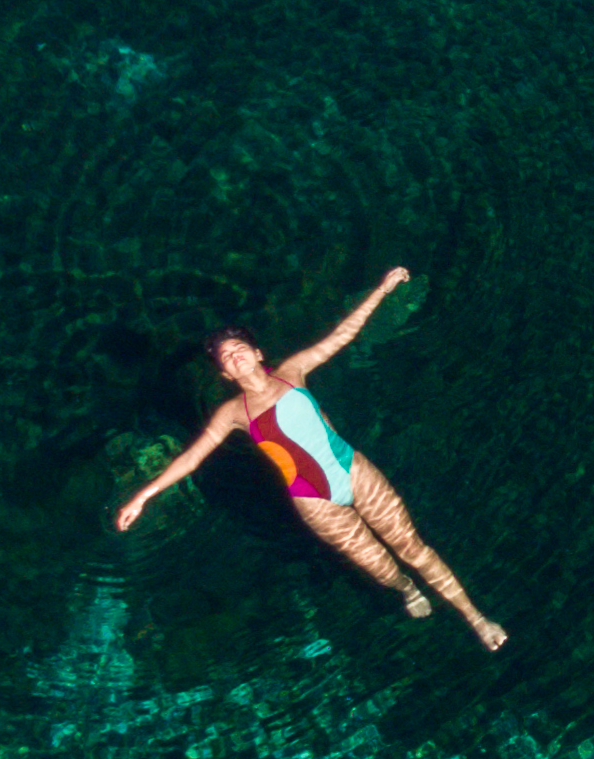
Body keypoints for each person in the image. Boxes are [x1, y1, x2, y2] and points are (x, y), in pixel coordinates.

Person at [112, 267, 507, 650]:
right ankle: (406, 588)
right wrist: (142, 497)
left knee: (413, 548)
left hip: (353, 471)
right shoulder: (232, 414)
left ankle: (475, 618)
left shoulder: (292, 371)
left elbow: (343, 335)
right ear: (226, 375)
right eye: (226, 358)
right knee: (381, 568)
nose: (234, 357)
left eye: (239, 348)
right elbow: (192, 458)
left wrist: (382, 290)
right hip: (313, 500)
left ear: (257, 352)